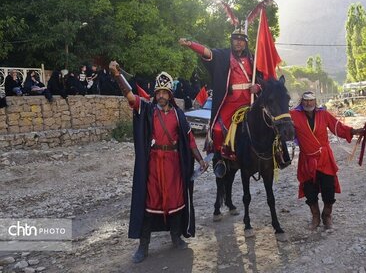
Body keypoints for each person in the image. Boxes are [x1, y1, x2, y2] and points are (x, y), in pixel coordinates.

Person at [108, 61, 208, 263]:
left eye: (165, 92)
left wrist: (201, 160)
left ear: (170, 94)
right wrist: (117, 75)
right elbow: (130, 96)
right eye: (158, 92)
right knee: (150, 202)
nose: (161, 95)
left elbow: (189, 141)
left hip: (173, 164)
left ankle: (176, 237)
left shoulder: (179, 115)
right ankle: (143, 246)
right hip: (153, 164)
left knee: (175, 201)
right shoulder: (147, 110)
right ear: (155, 93)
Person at [179, 28, 261, 173]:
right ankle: (221, 160)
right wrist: (191, 44)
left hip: (250, 101)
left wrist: (258, 86)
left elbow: (264, 77)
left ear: (246, 43)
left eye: (242, 40)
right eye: (236, 39)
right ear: (232, 40)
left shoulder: (253, 59)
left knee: (270, 124)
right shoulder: (223, 55)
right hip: (229, 102)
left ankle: (274, 156)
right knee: (217, 130)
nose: (238, 43)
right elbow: (208, 52)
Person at [290, 91, 364, 230]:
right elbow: (282, 126)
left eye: (311, 100)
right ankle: (316, 216)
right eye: (305, 100)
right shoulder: (293, 115)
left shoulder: (323, 114)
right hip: (307, 159)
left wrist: (354, 131)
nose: (308, 103)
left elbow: (337, 126)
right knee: (310, 191)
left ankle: (327, 215)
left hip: (324, 157)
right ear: (302, 102)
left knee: (328, 188)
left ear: (315, 101)